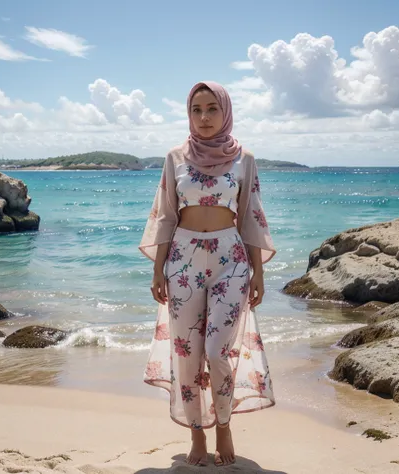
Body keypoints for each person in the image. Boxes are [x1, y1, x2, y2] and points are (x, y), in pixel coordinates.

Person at [138, 81, 277, 467]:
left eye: (212, 108)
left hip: (231, 260)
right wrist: (157, 269)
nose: (203, 117)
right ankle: (197, 434)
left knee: (218, 352)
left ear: (226, 111)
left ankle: (224, 425)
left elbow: (250, 216)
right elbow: (166, 215)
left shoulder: (244, 159)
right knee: (188, 353)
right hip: (182, 262)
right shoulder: (175, 157)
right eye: (197, 109)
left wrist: (259, 274)